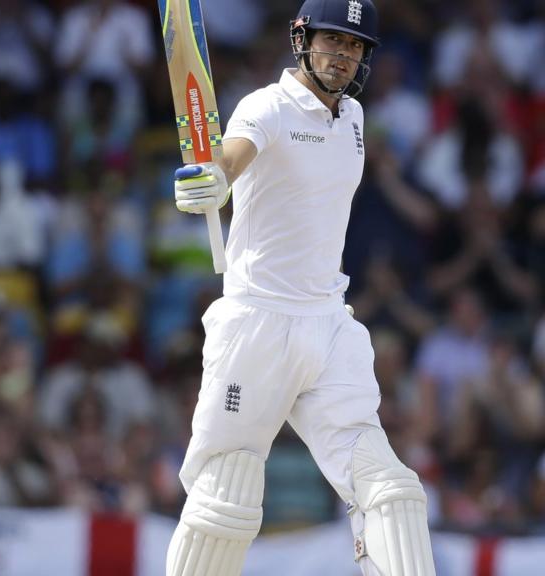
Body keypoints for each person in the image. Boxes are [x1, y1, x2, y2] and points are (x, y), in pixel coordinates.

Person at [166, 2, 436, 575]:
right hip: (259, 322)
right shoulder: (266, 105)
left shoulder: (356, 119)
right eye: (332, 40)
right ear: (302, 38)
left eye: (355, 45)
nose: (343, 54)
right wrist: (215, 177)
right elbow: (233, 155)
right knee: (226, 496)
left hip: (330, 324)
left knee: (387, 489)